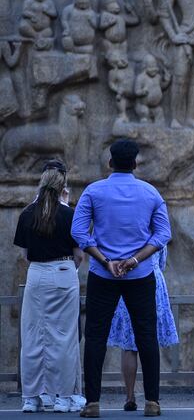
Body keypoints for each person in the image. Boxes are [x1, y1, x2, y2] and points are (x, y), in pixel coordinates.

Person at [71, 139, 171, 418]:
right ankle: (152, 401)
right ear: (135, 163)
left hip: (102, 274)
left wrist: (105, 260)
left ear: (110, 162)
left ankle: (92, 402)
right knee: (146, 336)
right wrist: (135, 260)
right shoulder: (151, 193)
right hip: (140, 273)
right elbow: (163, 234)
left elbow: (79, 233)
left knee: (95, 336)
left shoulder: (94, 191)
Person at [14, 160, 83, 413]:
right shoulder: (69, 214)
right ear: (62, 184)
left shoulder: (27, 213)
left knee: (33, 336)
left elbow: (25, 255)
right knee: (63, 338)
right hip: (64, 271)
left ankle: (31, 397)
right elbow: (79, 255)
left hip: (37, 274)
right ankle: (64, 397)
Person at [107, 247, 179, 412]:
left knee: (128, 345)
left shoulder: (127, 237)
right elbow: (161, 262)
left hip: (127, 283)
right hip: (152, 282)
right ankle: (151, 399)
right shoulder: (155, 235)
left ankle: (130, 396)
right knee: (149, 342)